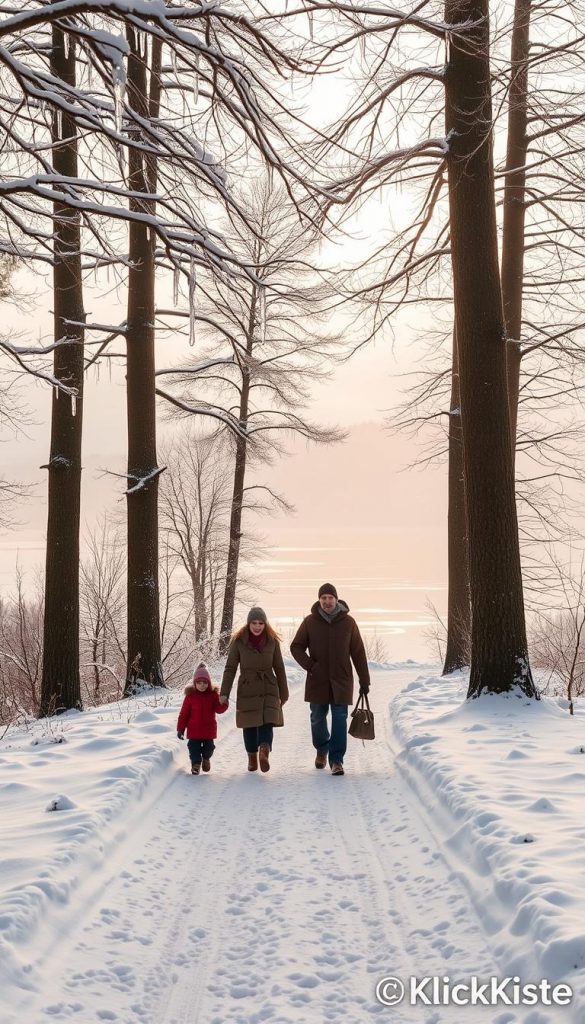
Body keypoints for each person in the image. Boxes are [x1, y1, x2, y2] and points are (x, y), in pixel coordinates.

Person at [290, 583, 370, 776]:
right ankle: (321, 748)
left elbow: (358, 653)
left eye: (330, 598)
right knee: (317, 718)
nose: (327, 601)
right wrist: (311, 666)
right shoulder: (310, 622)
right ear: (319, 600)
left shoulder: (348, 622)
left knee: (340, 719)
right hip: (317, 680)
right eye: (323, 598)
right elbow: (296, 647)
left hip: (341, 680)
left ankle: (336, 760)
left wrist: (364, 680)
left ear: (336, 599)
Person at [220, 607, 289, 773]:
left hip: (268, 686)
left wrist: (284, 691)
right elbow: (230, 668)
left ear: (265, 624)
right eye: (254, 623)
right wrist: (224, 693)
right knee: (249, 724)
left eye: (261, 623)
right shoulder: (238, 641)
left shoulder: (272, 641)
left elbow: (279, 667)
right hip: (248, 686)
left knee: (267, 722)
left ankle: (264, 751)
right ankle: (252, 756)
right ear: (248, 623)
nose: (257, 626)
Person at [177, 662, 228, 775]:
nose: (202, 685)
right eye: (199, 682)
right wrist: (180, 729)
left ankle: (206, 759)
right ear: (195, 683)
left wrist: (224, 703)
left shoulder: (213, 695)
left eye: (205, 682)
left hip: (208, 730)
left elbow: (219, 709)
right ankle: (196, 764)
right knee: (193, 748)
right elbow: (184, 714)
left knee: (209, 748)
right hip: (194, 730)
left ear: (209, 683)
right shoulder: (190, 697)